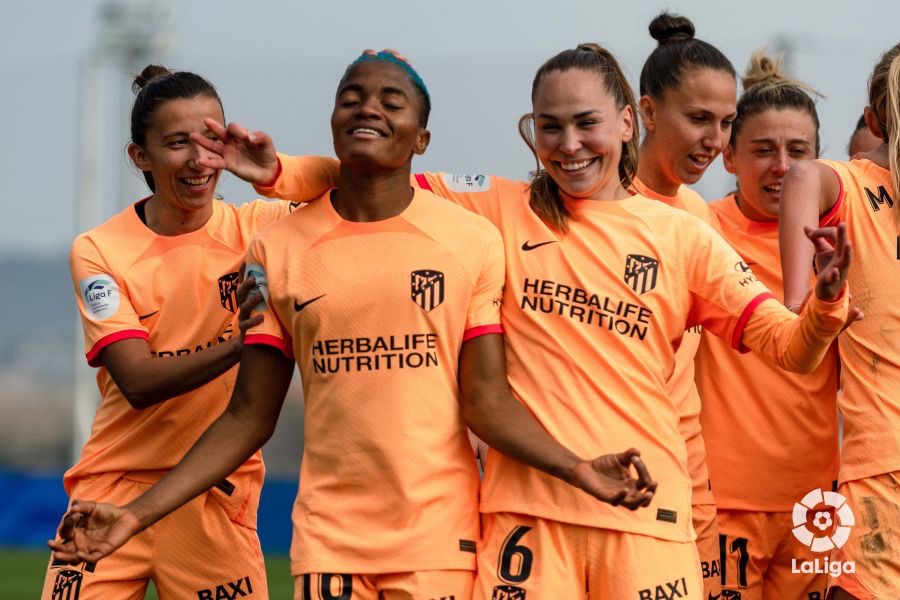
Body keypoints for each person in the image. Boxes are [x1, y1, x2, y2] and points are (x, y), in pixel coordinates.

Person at [233, 43, 853, 598]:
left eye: (586, 123)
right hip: (524, 522)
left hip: (645, 519)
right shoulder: (497, 208)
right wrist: (281, 172)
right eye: (550, 127)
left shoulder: (683, 235)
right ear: (531, 131)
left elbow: (789, 348)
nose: (569, 144)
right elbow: (377, 171)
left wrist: (825, 303)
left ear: (627, 123)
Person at [49, 51, 656, 600]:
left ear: (423, 138)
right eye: (351, 99)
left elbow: (487, 401)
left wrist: (577, 467)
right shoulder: (273, 247)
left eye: (391, 101)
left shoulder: (470, 238)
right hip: (323, 547)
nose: (368, 108)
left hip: (436, 544)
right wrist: (134, 514)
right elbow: (243, 415)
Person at [41, 65, 310, 599]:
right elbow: (139, 382)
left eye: (211, 140)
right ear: (140, 156)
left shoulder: (262, 227)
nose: (197, 160)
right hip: (112, 488)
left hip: (214, 490)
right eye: (177, 143)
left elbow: (363, 188)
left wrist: (276, 170)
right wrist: (242, 343)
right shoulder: (100, 250)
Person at [694, 49, 840, 599]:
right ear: (729, 157)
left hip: (818, 504)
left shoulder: (838, 244)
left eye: (797, 152)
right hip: (723, 501)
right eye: (762, 150)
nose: (781, 166)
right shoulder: (697, 229)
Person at [780, 42, 900, 600]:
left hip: (882, 471)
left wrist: (799, 301)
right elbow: (806, 173)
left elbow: (803, 174)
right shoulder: (851, 184)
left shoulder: (847, 183)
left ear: (873, 121)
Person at [632, 14, 738, 597]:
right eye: (699, 119)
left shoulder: (698, 213)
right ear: (647, 113)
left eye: (725, 122)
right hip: (620, 469)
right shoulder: (598, 204)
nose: (715, 140)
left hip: (688, 469)